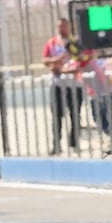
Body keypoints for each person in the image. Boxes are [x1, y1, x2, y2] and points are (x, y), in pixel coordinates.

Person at [42, 19, 84, 154]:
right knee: (57, 116)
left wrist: (65, 67)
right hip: (58, 83)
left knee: (75, 115)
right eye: (60, 26)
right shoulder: (52, 42)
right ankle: (56, 145)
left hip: (74, 83)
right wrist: (55, 61)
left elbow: (80, 58)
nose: (62, 29)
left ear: (69, 27)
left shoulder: (75, 41)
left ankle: (74, 142)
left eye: (64, 26)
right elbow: (45, 59)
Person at [81, 48, 112, 155]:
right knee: (98, 118)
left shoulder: (101, 62)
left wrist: (109, 89)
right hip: (96, 93)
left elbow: (109, 77)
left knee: (109, 117)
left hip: (106, 93)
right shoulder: (85, 62)